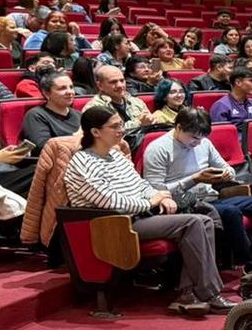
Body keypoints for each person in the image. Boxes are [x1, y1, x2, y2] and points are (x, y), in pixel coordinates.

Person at [66, 106, 232, 316]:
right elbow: (109, 201)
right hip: (112, 224)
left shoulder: (115, 155)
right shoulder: (81, 163)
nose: (121, 130)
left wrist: (161, 195)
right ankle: (209, 294)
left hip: (138, 216)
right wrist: (150, 202)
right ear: (95, 132)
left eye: (121, 124)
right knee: (193, 222)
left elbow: (141, 185)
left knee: (204, 219)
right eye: (115, 126)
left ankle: (188, 293)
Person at [142, 107, 252, 268]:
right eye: (194, 138)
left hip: (211, 198)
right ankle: (247, 263)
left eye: (202, 138)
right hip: (183, 205)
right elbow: (156, 192)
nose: (198, 143)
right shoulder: (158, 149)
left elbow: (228, 168)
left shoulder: (204, 143)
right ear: (178, 127)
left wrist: (226, 174)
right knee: (231, 212)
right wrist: (194, 179)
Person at [21, 73, 81, 154]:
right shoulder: (36, 115)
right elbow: (43, 147)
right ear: (47, 93)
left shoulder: (79, 115)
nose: (70, 92)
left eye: (71, 87)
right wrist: (76, 139)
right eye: (62, 88)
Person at [83, 65, 154, 131]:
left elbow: (150, 124)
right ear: (100, 86)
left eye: (122, 80)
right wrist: (139, 123)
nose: (120, 85)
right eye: (113, 82)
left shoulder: (137, 102)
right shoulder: (94, 108)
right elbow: (107, 133)